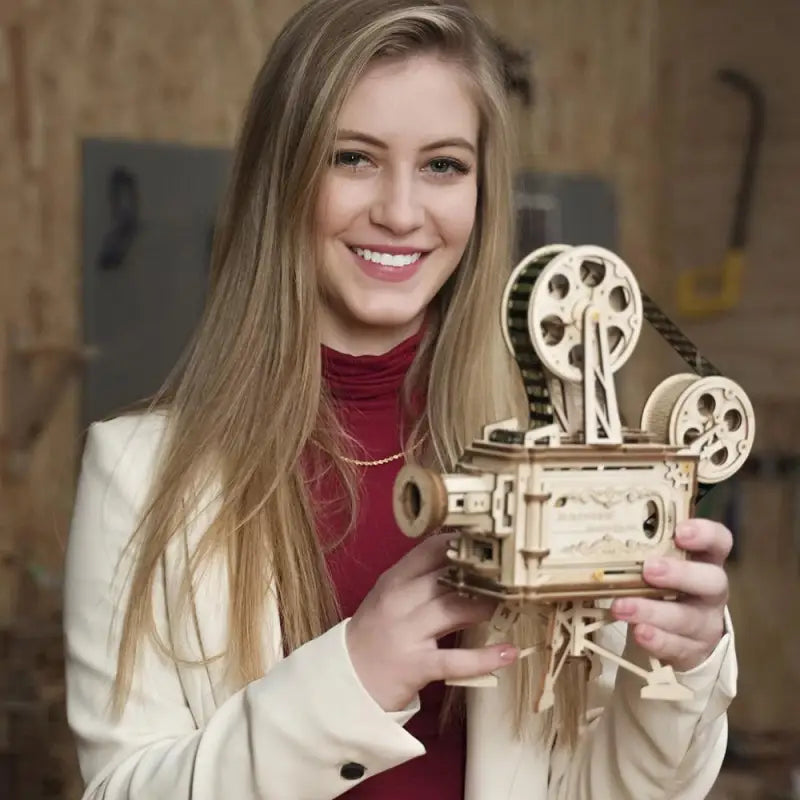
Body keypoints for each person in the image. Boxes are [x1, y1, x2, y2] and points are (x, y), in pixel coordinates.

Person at [63, 1, 738, 798]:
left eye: (443, 166)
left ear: (482, 193)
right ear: (283, 176)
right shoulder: (141, 475)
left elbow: (619, 790)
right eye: (353, 158)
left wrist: (684, 664)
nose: (401, 211)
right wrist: (354, 676)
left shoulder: (546, 474)